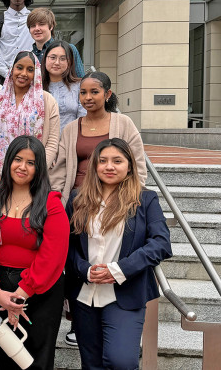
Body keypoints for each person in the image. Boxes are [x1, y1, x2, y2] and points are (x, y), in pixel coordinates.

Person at [66, 138, 172, 369]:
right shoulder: (77, 199)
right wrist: (84, 269)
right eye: (102, 161)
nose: (109, 166)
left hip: (125, 293)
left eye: (117, 161)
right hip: (85, 294)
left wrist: (120, 270)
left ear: (130, 165)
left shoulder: (145, 199)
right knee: (92, 364)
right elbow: (67, 247)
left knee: (122, 361)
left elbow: (161, 243)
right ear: (95, 166)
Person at [0, 135, 69, 370]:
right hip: (0, 287)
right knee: (7, 356)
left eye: (31, 162)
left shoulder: (50, 202)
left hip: (41, 289)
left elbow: (53, 253)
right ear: (8, 162)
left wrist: (21, 294)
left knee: (37, 358)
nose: (22, 167)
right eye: (17, 159)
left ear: (39, 168)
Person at [50, 71, 147, 204]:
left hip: (115, 201)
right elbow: (60, 170)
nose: (88, 97)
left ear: (107, 94)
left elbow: (138, 165)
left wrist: (131, 196)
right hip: (76, 200)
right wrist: (56, 198)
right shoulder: (70, 129)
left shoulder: (124, 123)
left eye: (94, 92)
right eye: (83, 92)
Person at [0, 51, 60, 182]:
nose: (23, 74)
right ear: (11, 70)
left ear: (36, 73)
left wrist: (37, 172)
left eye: (30, 70)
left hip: (35, 177)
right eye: (19, 68)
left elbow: (52, 143)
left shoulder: (47, 101)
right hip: (2, 178)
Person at [41, 40, 86, 132]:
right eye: (53, 57)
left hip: (71, 141)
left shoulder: (79, 86)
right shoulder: (36, 87)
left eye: (63, 59)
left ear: (69, 62)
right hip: (42, 143)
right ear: (45, 59)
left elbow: (84, 118)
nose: (57, 62)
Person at [28, 7, 84, 78]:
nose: (37, 29)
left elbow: (80, 80)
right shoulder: (29, 56)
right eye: (33, 26)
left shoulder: (69, 50)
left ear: (51, 26)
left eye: (41, 24)